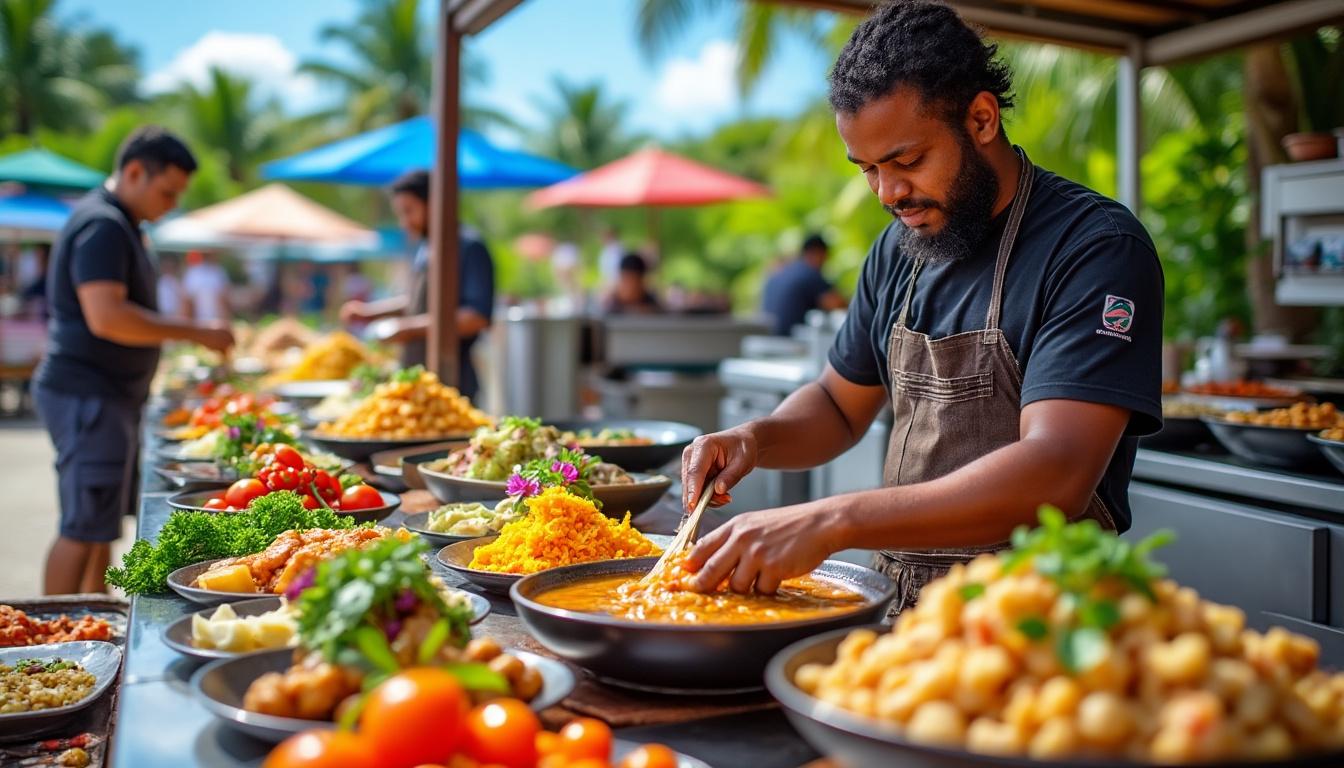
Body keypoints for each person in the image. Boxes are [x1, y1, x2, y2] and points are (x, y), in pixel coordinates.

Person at [680, 1, 1163, 612]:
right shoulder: (899, 249)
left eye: (907, 162)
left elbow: (1056, 472)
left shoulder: (1093, 247)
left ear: (982, 118)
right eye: (868, 170)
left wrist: (835, 520)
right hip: (909, 612)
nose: (888, 193)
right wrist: (756, 437)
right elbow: (836, 405)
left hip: (1043, 620)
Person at [33, 126, 234, 594]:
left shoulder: (121, 224)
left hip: (106, 396)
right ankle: (49, 644)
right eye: (167, 191)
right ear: (136, 172)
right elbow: (107, 317)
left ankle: (92, 618)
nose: (171, 204)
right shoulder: (103, 224)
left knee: (98, 525)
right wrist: (197, 331)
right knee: (81, 526)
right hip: (89, 393)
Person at [339, 169, 494, 400]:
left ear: (435, 203)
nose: (404, 222)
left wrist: (408, 329)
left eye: (409, 211)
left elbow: (476, 318)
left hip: (453, 383)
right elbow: (417, 302)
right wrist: (369, 313)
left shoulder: (469, 247)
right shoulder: (426, 246)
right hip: (416, 380)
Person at [761, 233, 848, 335]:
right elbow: (836, 304)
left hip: (769, 336)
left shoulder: (782, 271)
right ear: (818, 253)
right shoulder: (810, 274)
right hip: (790, 339)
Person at [182, 250, 231, 323]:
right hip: (199, 321)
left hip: (216, 321)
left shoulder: (218, 271)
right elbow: (188, 302)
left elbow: (224, 298)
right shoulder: (194, 273)